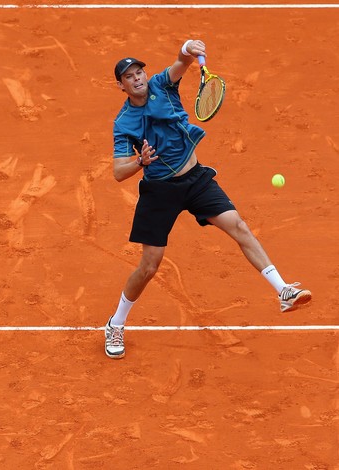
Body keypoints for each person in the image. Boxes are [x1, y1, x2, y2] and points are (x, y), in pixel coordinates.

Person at [104, 40, 312, 359]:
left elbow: (181, 62)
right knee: (149, 265)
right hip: (159, 190)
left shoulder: (162, 83)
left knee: (238, 226)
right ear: (121, 85)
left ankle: (283, 290)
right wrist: (140, 162)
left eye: (139, 72)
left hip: (195, 178)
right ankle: (116, 323)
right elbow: (119, 171)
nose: (137, 78)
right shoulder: (123, 123)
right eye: (129, 76)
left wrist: (188, 47)